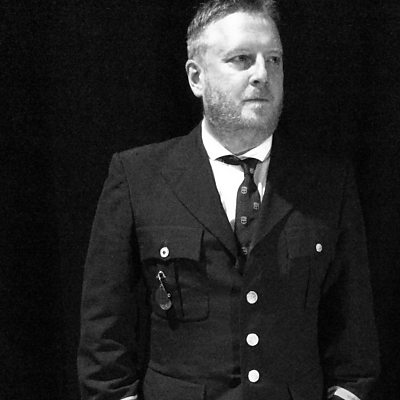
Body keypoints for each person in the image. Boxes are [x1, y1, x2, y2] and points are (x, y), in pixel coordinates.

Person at [78, 1, 380, 399]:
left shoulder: (327, 184)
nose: (262, 74)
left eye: (274, 60)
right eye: (242, 59)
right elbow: (104, 340)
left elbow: (354, 345)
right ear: (196, 77)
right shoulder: (138, 178)